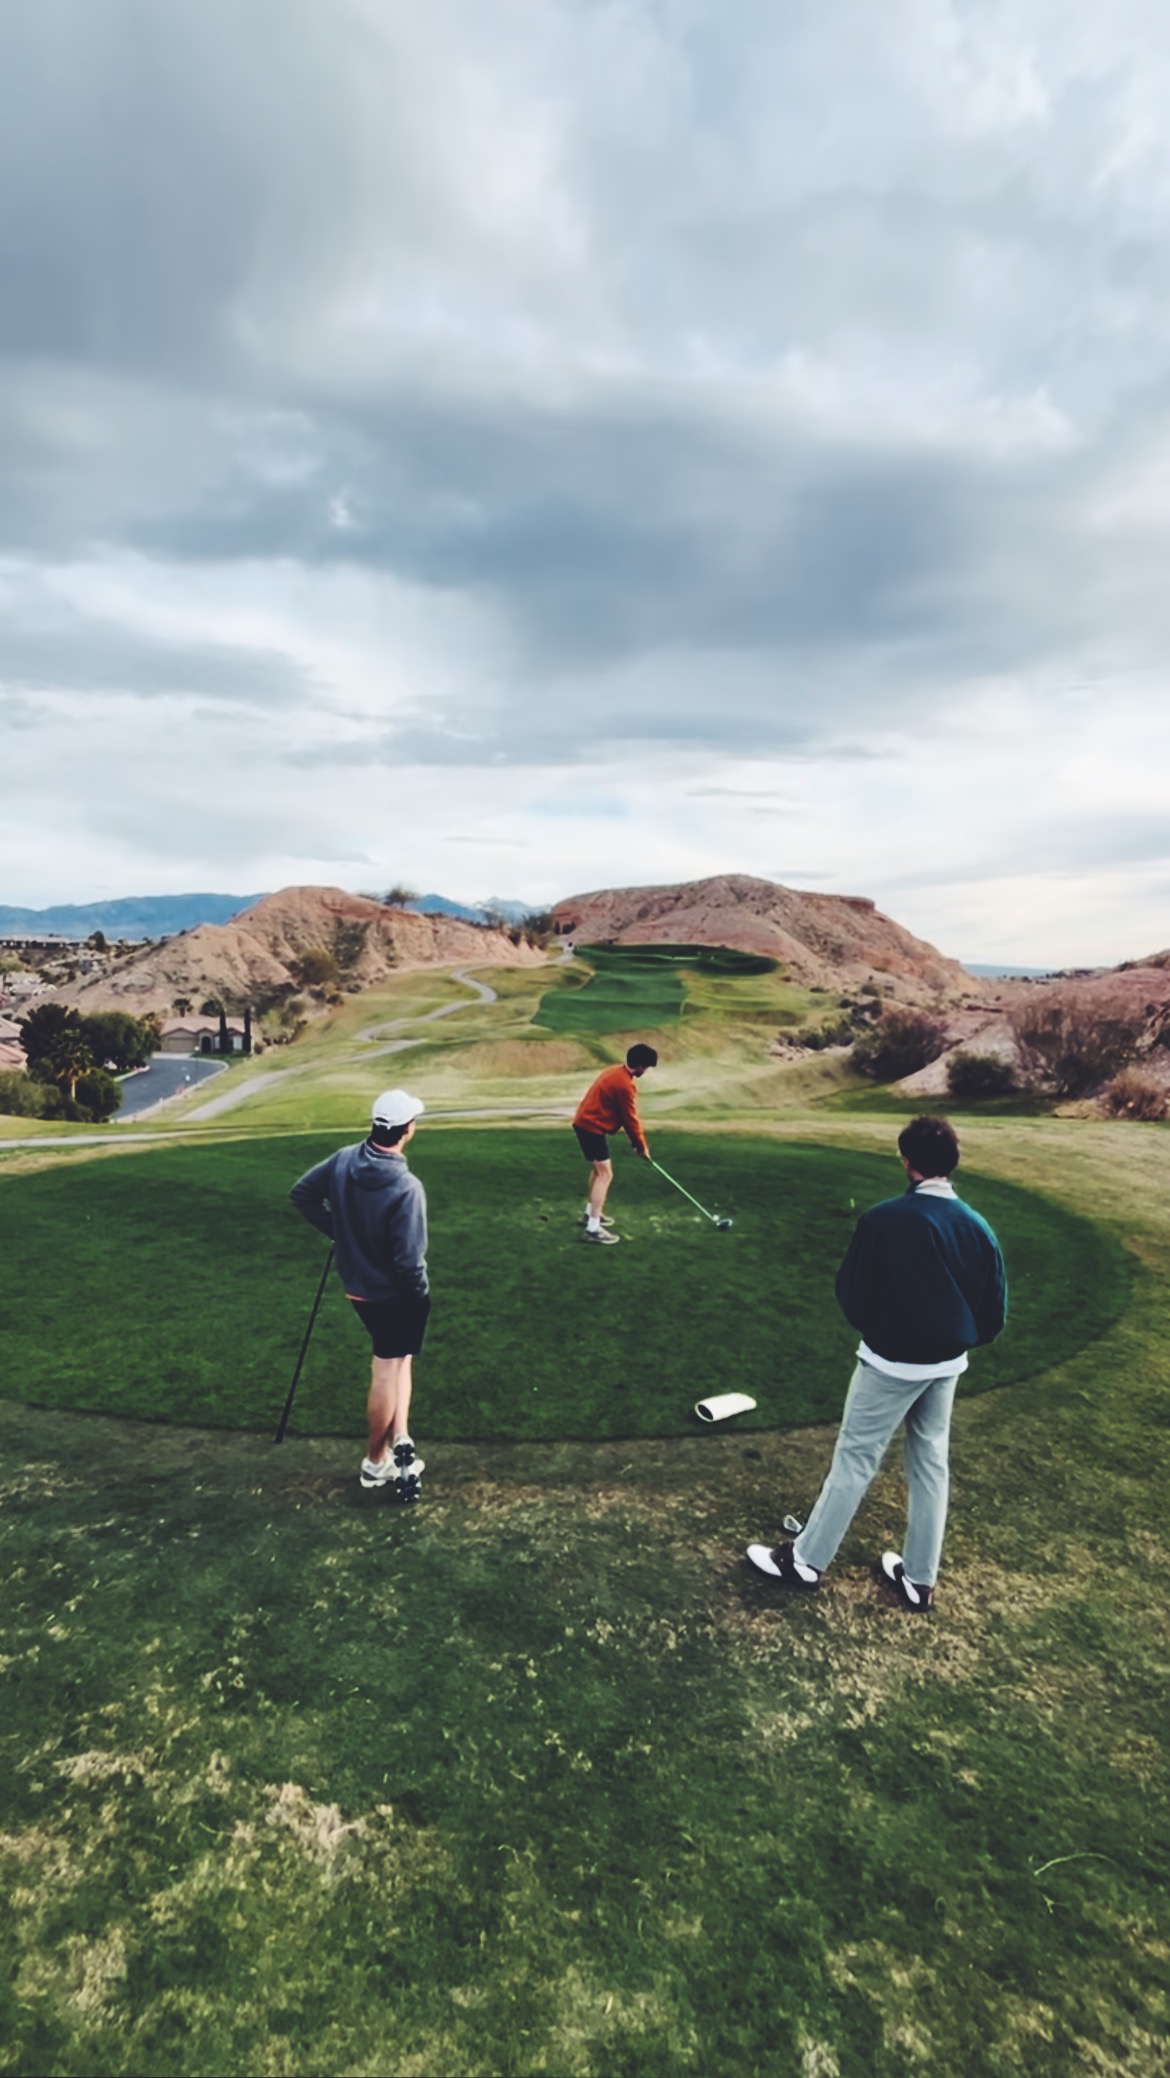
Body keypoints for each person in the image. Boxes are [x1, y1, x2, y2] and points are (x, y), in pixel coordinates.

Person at [747, 1115, 1006, 1612]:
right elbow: (992, 1314)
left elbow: (854, 1295)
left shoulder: (884, 1219)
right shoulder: (978, 1227)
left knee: (856, 1459)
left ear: (907, 1164)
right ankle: (920, 1578)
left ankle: (805, 1560)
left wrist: (884, 1332)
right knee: (931, 1464)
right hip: (947, 1365)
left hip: (890, 1363)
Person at [289, 1088, 430, 1495]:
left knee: (400, 1360)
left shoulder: (345, 1159)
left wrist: (342, 1233)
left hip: (359, 1289)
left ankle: (400, 1437)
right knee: (388, 1368)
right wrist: (420, 1296)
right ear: (407, 1131)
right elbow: (409, 1262)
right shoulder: (407, 1187)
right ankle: (374, 1463)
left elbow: (303, 1195)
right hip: (396, 1294)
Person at [571, 1043, 658, 1243]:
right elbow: (630, 1119)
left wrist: (638, 1144)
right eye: (647, 1067)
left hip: (584, 1124)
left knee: (597, 1171)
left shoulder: (614, 1071)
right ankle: (593, 1229)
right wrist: (641, 1146)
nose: (646, 1071)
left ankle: (589, 1214)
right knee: (605, 1173)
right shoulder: (625, 1085)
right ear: (640, 1065)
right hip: (591, 1128)